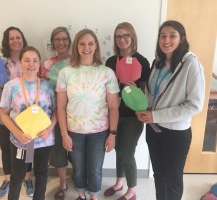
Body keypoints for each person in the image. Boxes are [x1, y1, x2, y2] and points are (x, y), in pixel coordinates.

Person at [136, 20, 205, 200]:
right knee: (159, 176)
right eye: (162, 36)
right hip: (153, 130)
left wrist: (155, 115)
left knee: (172, 180)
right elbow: (153, 94)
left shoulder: (191, 64)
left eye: (172, 36)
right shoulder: (158, 62)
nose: (166, 40)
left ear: (181, 39)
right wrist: (143, 109)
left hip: (175, 133)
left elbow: (194, 104)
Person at [56, 28, 120, 200]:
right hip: (73, 131)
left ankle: (94, 196)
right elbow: (60, 106)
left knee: (95, 168)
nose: (86, 47)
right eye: (82, 43)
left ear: (96, 46)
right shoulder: (65, 73)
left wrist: (112, 134)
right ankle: (81, 195)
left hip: (99, 131)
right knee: (78, 167)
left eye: (90, 43)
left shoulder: (106, 73)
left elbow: (113, 107)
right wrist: (64, 134)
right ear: (76, 46)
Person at [0, 46, 56, 200]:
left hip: (43, 140)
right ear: (20, 62)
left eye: (35, 60)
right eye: (27, 60)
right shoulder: (11, 86)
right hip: (21, 141)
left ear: (39, 63)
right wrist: (17, 133)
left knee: (41, 174)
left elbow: (57, 111)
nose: (31, 64)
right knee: (17, 175)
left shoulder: (48, 85)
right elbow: (4, 114)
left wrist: (50, 128)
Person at [0, 26, 34, 199]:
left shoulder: (29, 60)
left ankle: (27, 178)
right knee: (6, 148)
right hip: (2, 114)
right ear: (6, 42)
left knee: (26, 147)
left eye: (18, 37)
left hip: (25, 115)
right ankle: (7, 179)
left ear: (23, 39)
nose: (15, 41)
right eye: (11, 38)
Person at [103, 22, 150, 200]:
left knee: (127, 152)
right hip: (114, 114)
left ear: (132, 37)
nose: (122, 40)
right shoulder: (110, 62)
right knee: (118, 150)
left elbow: (149, 91)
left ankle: (131, 191)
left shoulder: (143, 61)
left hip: (134, 116)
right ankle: (119, 183)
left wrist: (136, 90)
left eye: (126, 36)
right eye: (118, 37)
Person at [40, 26, 71, 200]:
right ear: (53, 43)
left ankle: (78, 176)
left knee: (77, 149)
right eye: (57, 39)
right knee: (58, 149)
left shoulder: (77, 62)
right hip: (53, 113)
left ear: (69, 41)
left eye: (64, 39)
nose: (61, 42)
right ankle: (62, 183)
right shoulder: (47, 64)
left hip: (75, 114)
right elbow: (43, 89)